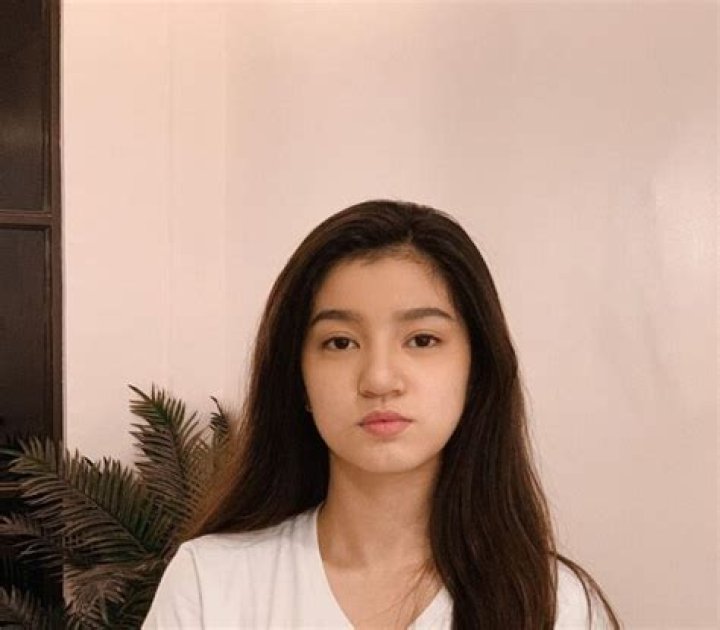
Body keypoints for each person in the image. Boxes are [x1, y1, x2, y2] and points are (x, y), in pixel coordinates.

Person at [142, 199, 621, 629]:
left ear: (476, 371)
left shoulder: (554, 605)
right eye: (340, 343)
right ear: (298, 378)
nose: (379, 379)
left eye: (422, 340)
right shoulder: (211, 583)